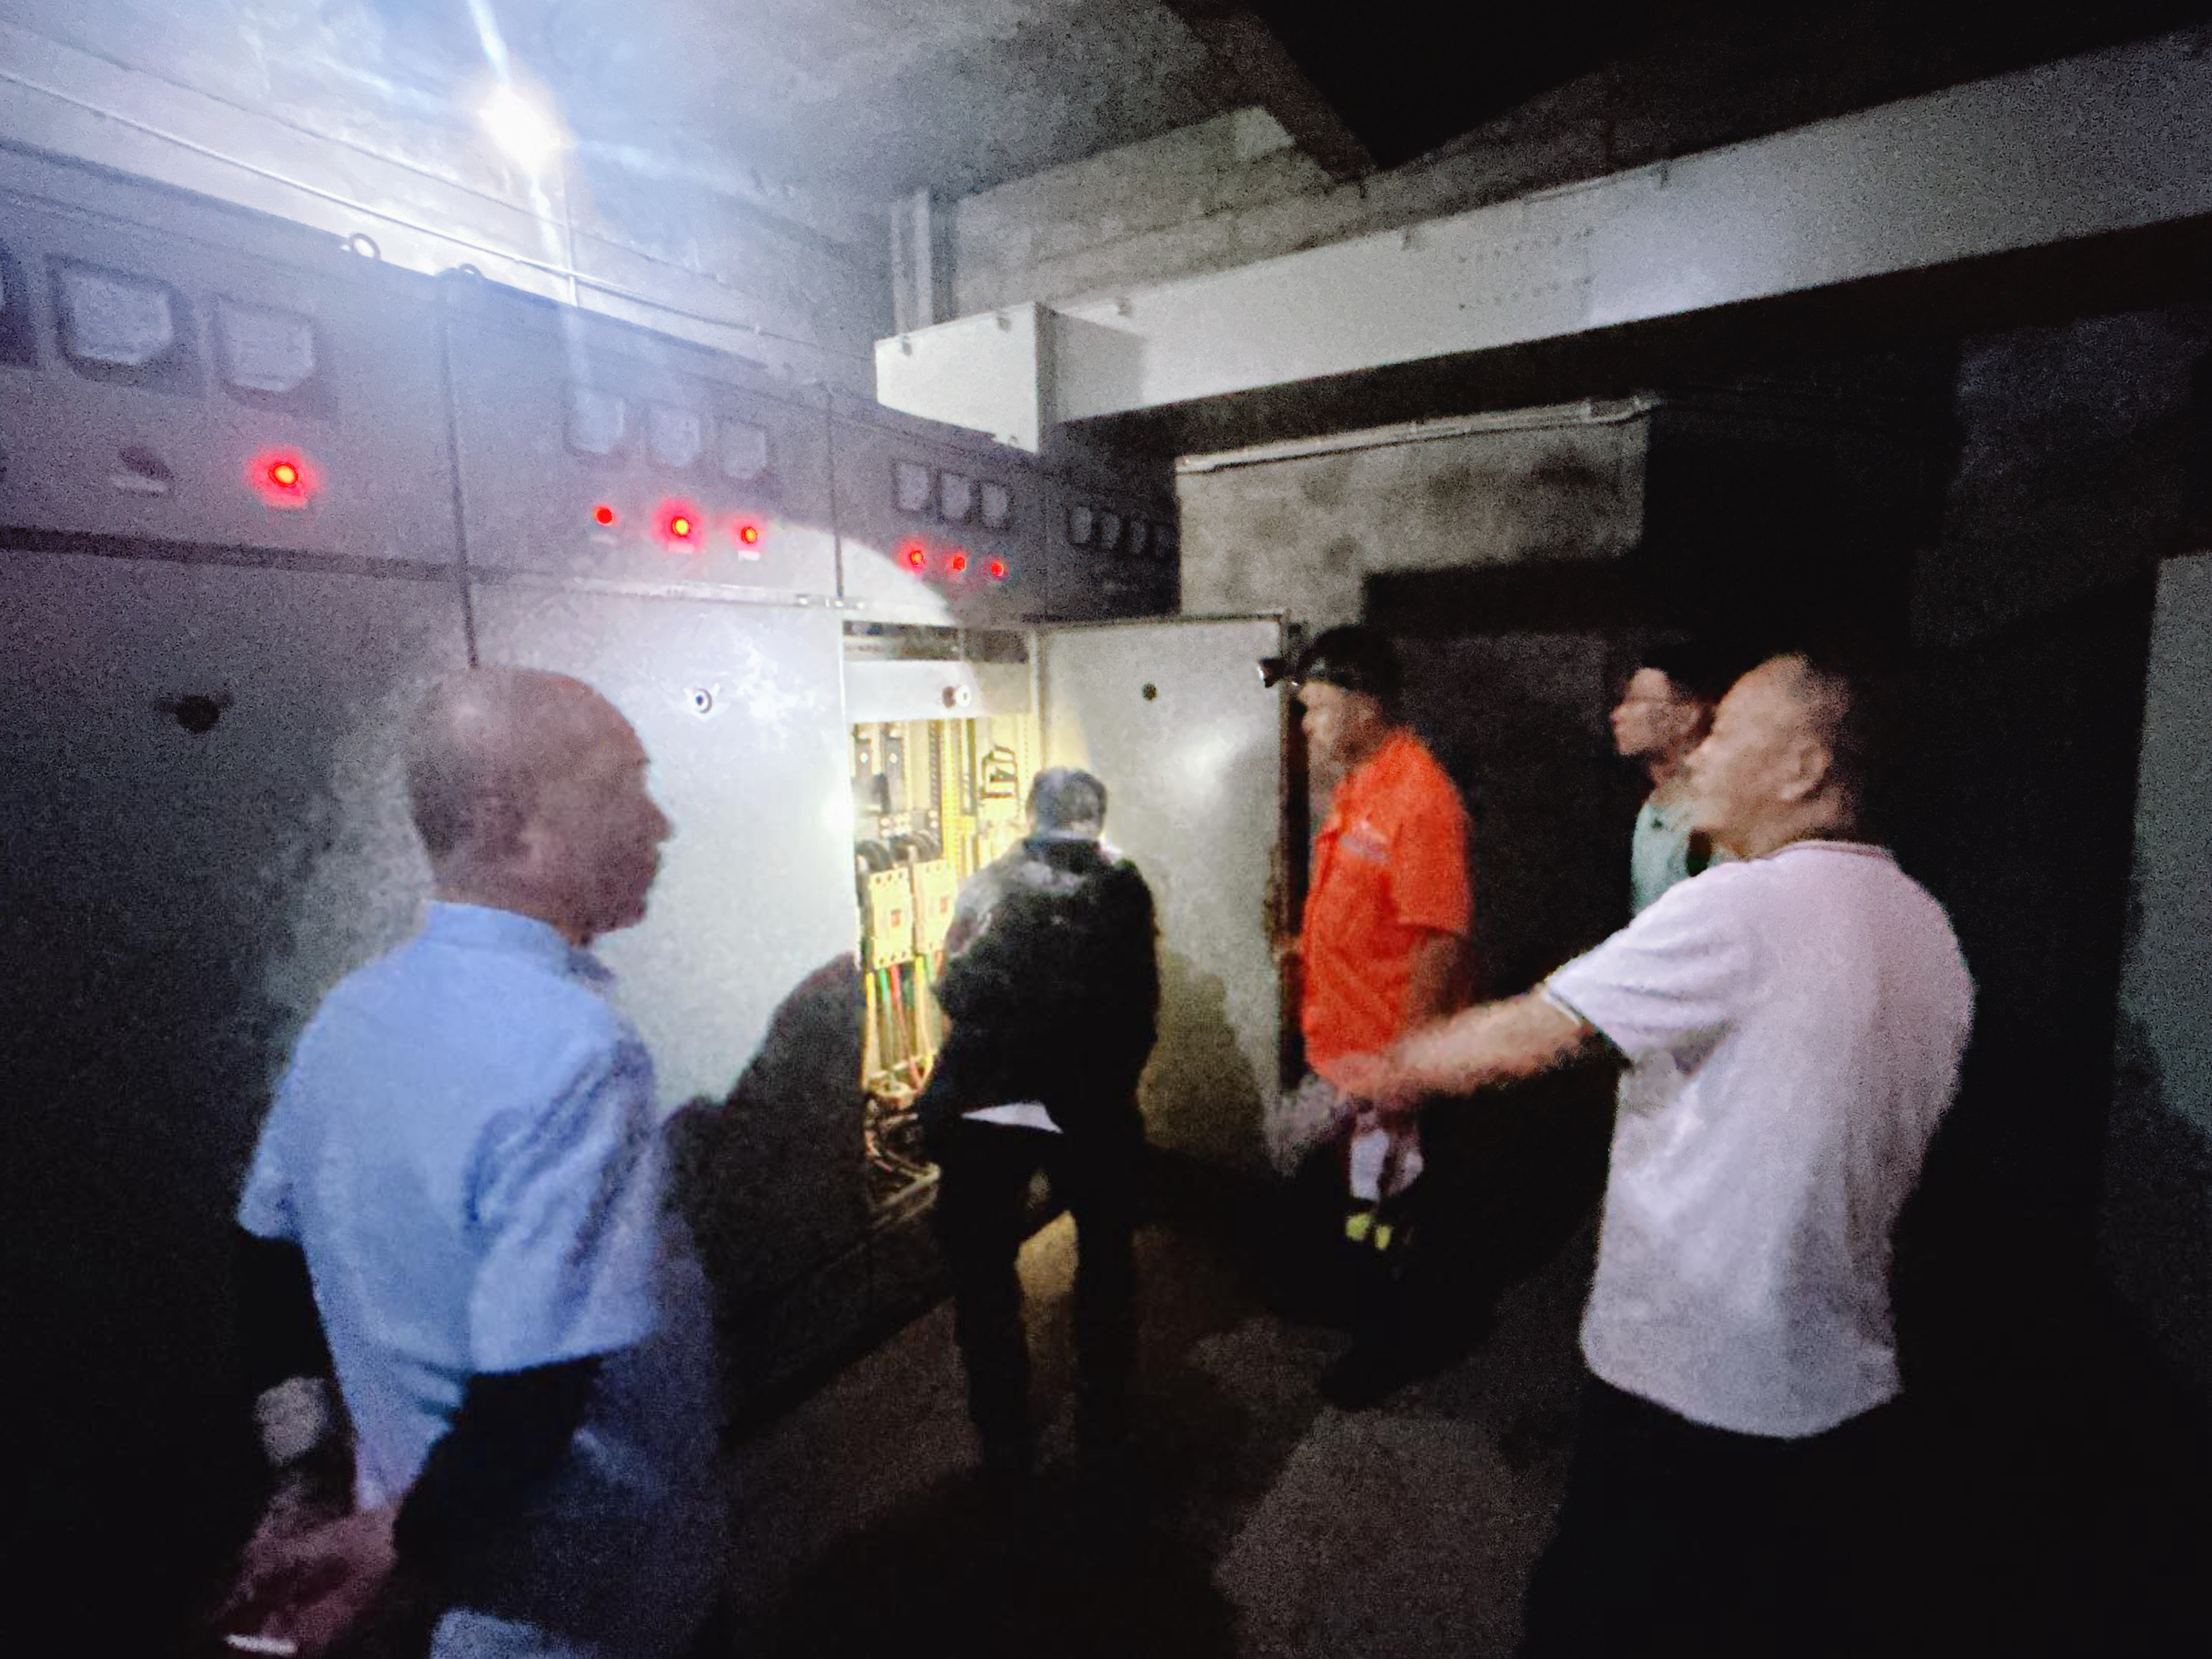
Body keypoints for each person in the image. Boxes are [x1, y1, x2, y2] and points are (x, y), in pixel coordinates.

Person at [1336, 651, 1973, 1656]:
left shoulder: (1744, 904)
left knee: (1597, 1620)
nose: (1701, 750)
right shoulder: (1925, 925)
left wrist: (1383, 1067)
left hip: (1694, 1372)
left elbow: (1534, 1031)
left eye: (1726, 731)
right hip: (1838, 1379)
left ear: (1804, 767)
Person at [230, 668, 725, 1659]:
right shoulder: (577, 1049)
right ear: (509, 821)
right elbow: (533, 1390)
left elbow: (265, 1260)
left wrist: (309, 1479)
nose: (660, 822)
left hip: (451, 1608)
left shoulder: (349, 1015)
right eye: (624, 784)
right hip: (585, 1608)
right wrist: (401, 1546)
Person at [916, 767, 1160, 1479]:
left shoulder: (989, 884)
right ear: (1097, 820)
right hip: (1090, 1102)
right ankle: (1102, 1426)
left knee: (984, 1267)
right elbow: (1141, 1007)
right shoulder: (1126, 888)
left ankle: (1004, 1438)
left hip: (993, 1098)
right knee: (1106, 1258)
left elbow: (953, 987)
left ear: (1030, 815)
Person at [1271, 624, 1474, 1407]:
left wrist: (1406, 1063)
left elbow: (1439, 939)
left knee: (1386, 1206)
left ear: (1365, 705)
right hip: (1345, 1046)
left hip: (1384, 1053)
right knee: (1354, 1195)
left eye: (1318, 709)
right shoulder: (1364, 782)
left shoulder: (1420, 798)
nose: (1307, 726)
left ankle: (1393, 1347)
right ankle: (1354, 1307)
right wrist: (1308, 947)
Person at [1609, 639, 1733, 914]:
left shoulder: (1715, 819)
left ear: (1687, 716)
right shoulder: (1651, 807)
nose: (1617, 715)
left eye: (1635, 700)